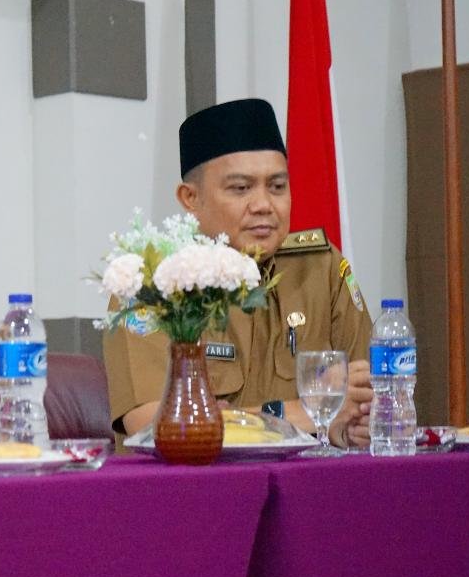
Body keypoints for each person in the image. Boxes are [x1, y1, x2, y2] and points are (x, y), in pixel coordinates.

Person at [103, 98, 373, 447]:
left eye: (277, 186)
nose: (263, 205)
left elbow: (365, 392)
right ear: (190, 198)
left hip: (304, 486)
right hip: (192, 494)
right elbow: (152, 424)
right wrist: (297, 413)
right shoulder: (153, 285)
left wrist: (350, 426)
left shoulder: (320, 268)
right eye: (241, 188)